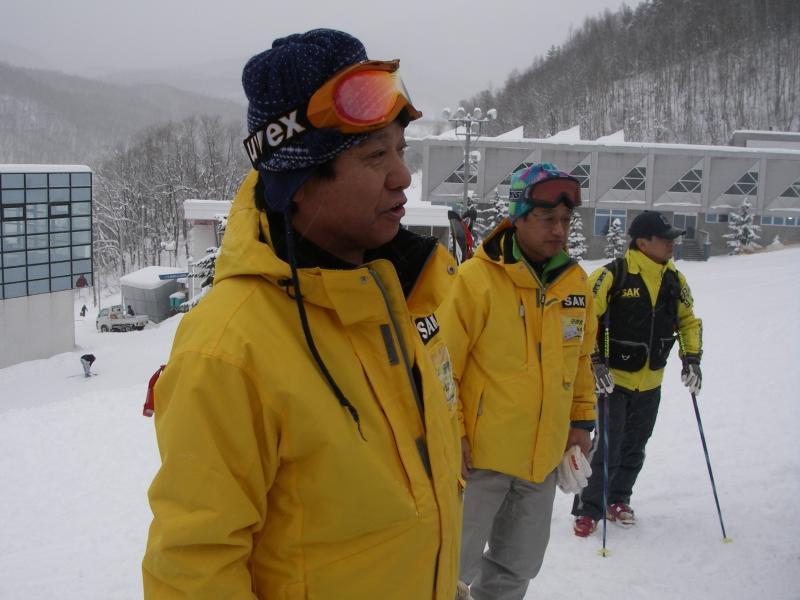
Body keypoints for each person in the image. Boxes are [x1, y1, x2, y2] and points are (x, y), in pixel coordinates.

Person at [142, 29, 465, 600]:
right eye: (375, 155)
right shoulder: (228, 348)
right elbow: (193, 570)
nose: (403, 176)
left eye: (400, 149)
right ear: (297, 181)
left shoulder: (405, 294)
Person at [436, 163, 597, 600]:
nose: (559, 230)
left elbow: (582, 361)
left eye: (565, 220)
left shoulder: (575, 284)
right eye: (547, 219)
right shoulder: (477, 280)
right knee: (450, 568)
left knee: (517, 566)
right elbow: (442, 365)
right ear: (519, 217)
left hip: (541, 462)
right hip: (479, 461)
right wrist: (454, 431)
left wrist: (581, 424)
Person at [572, 210, 703, 537]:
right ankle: (589, 508)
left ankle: (619, 499)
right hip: (612, 381)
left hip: (651, 381)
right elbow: (586, 320)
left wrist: (692, 359)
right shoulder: (612, 275)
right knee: (608, 445)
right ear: (643, 243)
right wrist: (595, 363)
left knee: (636, 445)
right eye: (665, 239)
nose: (672, 244)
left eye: (673, 239)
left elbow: (688, 322)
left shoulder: (675, 280)